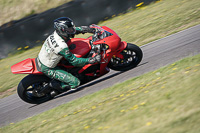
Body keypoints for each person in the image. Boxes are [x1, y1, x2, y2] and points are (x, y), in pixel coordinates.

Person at [36, 17, 101, 92]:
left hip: (47, 57)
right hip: (48, 68)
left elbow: (73, 30)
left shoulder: (57, 33)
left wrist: (88, 29)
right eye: (69, 29)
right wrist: (92, 60)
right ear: (62, 30)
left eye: (71, 28)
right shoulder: (61, 46)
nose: (72, 30)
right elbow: (75, 61)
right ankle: (54, 85)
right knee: (75, 82)